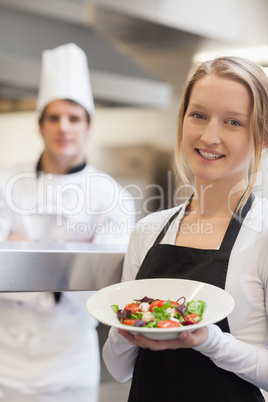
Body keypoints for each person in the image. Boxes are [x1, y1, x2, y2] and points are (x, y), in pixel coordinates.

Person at [103, 56, 268, 401]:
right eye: (198, 115)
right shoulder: (149, 231)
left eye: (233, 122)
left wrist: (210, 341)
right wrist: (126, 325)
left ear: (261, 136)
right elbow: (118, 369)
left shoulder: (262, 234)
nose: (209, 136)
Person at [0, 43, 135, 398]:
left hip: (70, 362)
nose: (64, 127)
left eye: (74, 118)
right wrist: (74, 259)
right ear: (39, 124)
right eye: (54, 117)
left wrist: (22, 250)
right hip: (5, 362)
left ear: (88, 126)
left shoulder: (111, 196)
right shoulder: (4, 183)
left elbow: (105, 290)